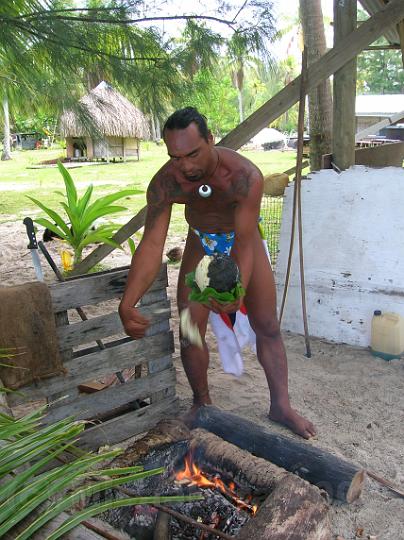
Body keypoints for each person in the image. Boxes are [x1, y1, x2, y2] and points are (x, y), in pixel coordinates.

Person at [119, 107, 316, 439]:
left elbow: (242, 240)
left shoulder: (243, 177)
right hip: (202, 244)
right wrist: (128, 302)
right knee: (188, 329)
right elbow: (153, 244)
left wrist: (237, 289)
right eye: (175, 156)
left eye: (193, 153)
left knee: (266, 324)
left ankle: (281, 405)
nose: (186, 166)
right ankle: (202, 403)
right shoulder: (167, 182)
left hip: (244, 242)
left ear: (210, 140)